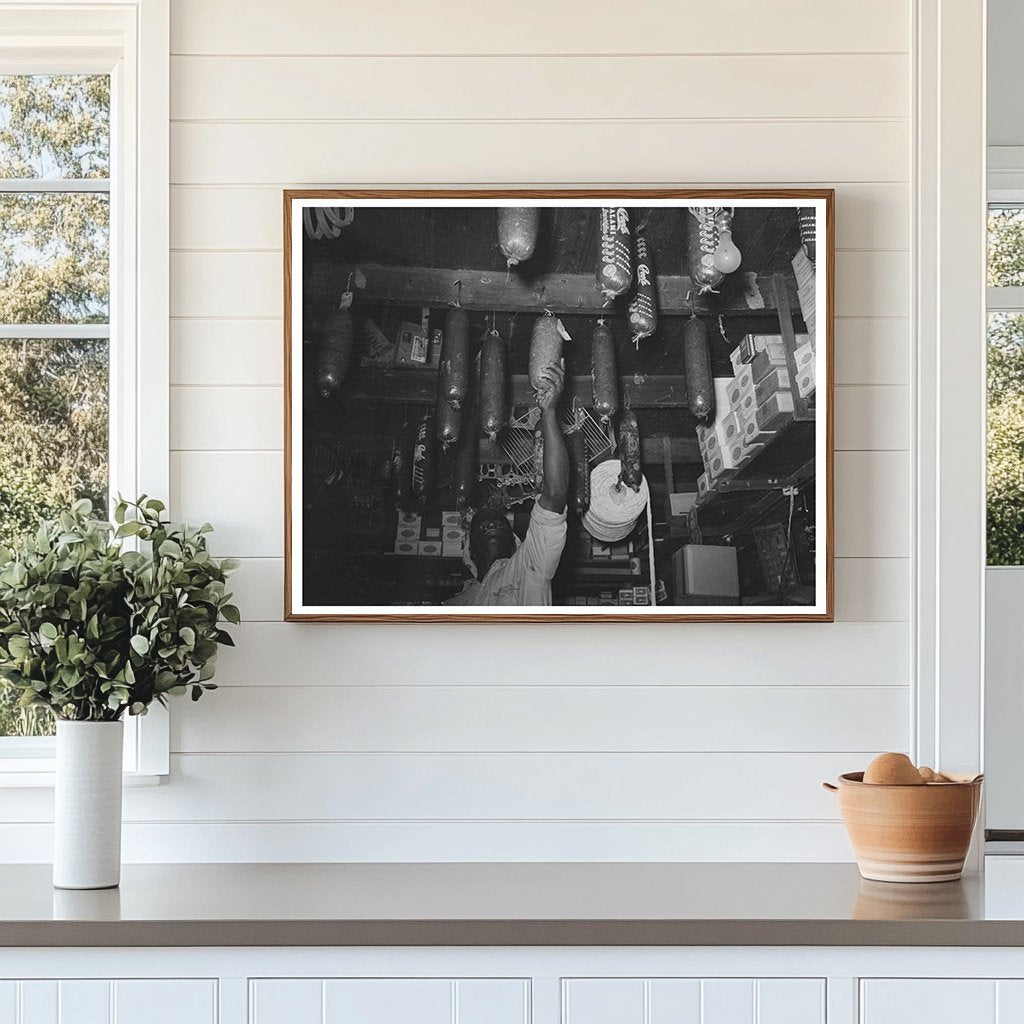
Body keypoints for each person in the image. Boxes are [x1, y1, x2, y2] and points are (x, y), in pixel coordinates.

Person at [445, 361, 569, 606]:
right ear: (467, 554)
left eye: (499, 524)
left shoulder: (529, 568)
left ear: (516, 544)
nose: (491, 523)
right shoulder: (453, 606)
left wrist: (549, 413)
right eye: (483, 525)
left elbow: (554, 496)